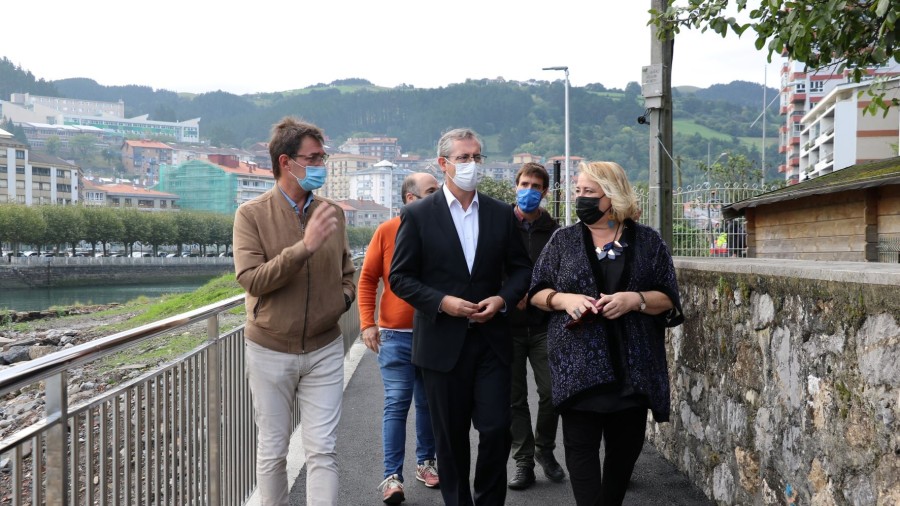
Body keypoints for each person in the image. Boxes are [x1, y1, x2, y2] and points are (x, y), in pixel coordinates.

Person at [389, 128, 533, 506]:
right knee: (450, 439)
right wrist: (442, 302)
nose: (472, 164)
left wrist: (502, 299)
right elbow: (400, 277)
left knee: (497, 429)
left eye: (477, 157)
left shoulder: (501, 214)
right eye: (464, 157)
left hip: (491, 342)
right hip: (441, 343)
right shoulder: (417, 214)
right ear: (444, 164)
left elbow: (521, 269)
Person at [528, 161, 684, 506]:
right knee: (580, 452)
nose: (580, 198)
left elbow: (669, 298)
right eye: (578, 191)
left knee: (623, 454)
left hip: (633, 374)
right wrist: (564, 299)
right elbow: (536, 292)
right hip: (577, 371)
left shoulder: (648, 242)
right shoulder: (563, 240)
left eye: (589, 191)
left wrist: (635, 300)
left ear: (612, 195)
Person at [233, 117, 356, 506]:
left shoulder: (332, 212)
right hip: (269, 349)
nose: (321, 165)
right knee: (273, 450)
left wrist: (341, 301)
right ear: (286, 162)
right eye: (313, 158)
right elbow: (251, 279)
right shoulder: (251, 214)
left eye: (323, 157)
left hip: (324, 348)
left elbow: (347, 272)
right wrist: (304, 247)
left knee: (323, 450)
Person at [358, 172, 441, 504]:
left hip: (433, 333)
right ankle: (392, 477)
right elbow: (367, 278)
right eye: (432, 192)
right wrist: (367, 323)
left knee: (428, 404)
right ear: (411, 199)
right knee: (397, 402)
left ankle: (426, 462)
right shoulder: (387, 231)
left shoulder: (444, 231)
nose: (440, 196)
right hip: (395, 336)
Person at [506, 162, 565, 490]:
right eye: (524, 184)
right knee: (513, 398)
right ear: (516, 186)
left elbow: (562, 272)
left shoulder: (555, 232)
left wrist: (540, 294)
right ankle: (523, 460)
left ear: (545, 192)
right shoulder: (499, 225)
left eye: (535, 186)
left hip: (545, 325)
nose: (529, 190)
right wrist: (509, 293)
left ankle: (545, 449)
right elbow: (486, 265)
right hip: (507, 326)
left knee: (552, 393)